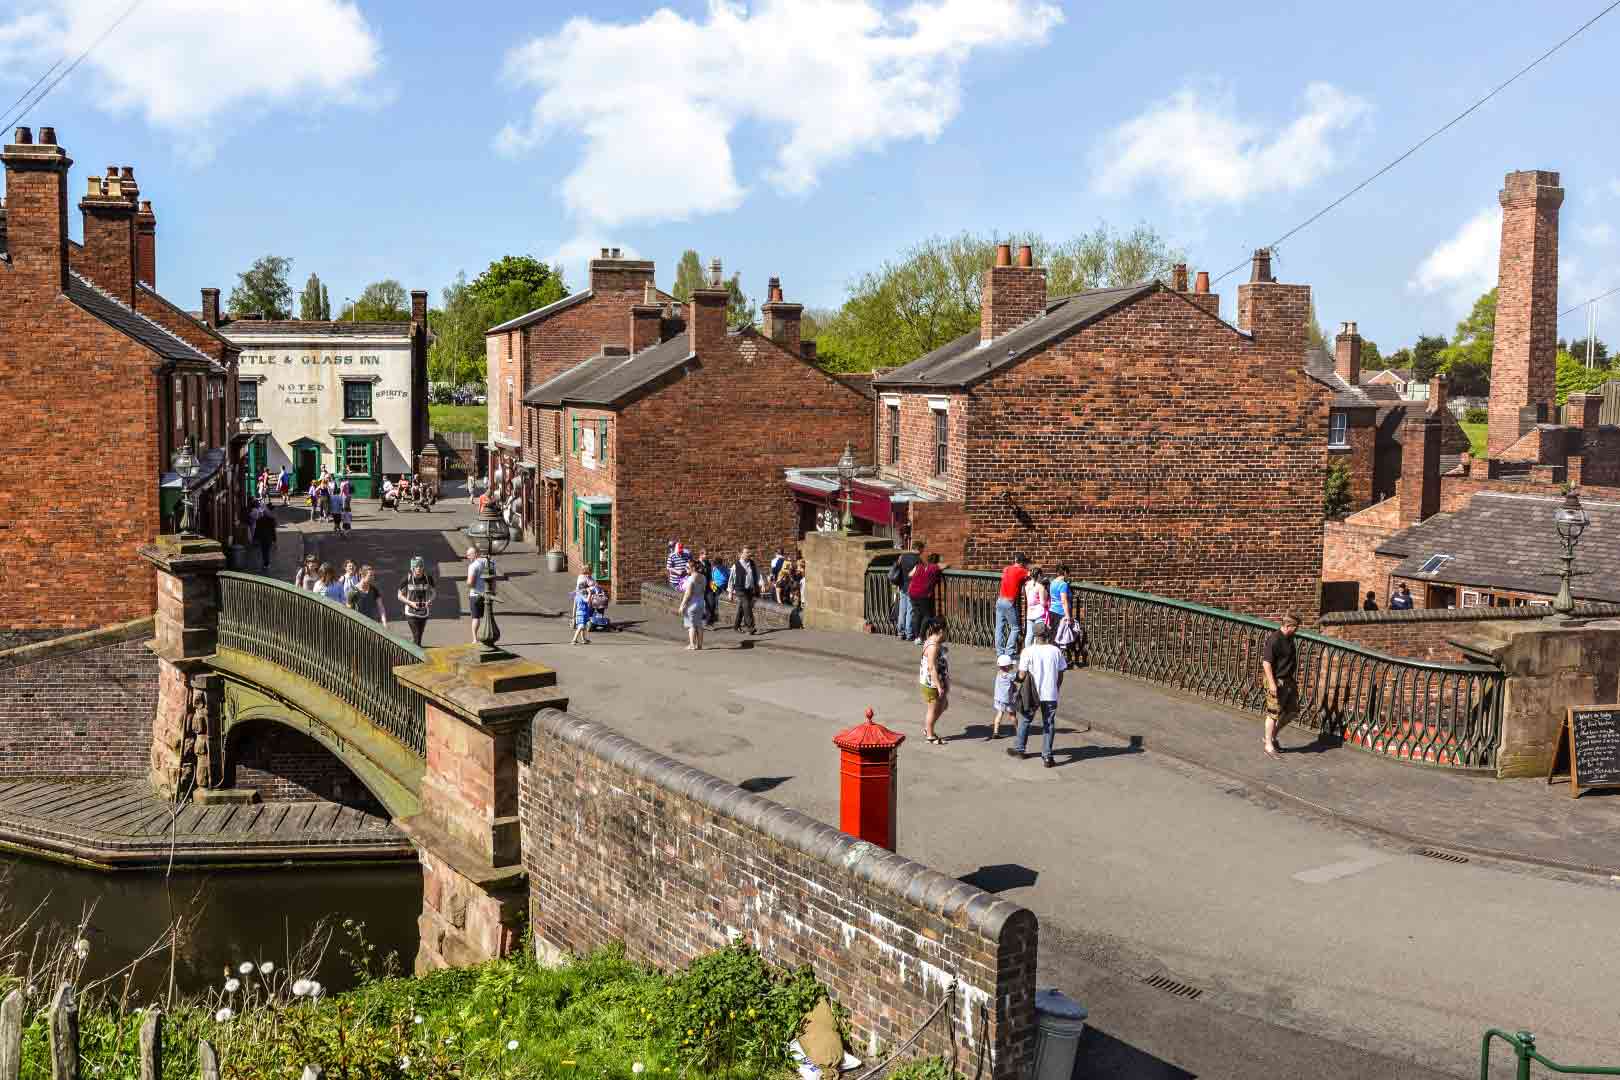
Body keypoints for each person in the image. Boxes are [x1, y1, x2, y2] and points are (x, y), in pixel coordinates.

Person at [1009, 623, 1067, 767]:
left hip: (1032, 692)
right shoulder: (1056, 651)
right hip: (1050, 693)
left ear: (1034, 635)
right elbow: (1061, 673)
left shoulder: (1028, 651)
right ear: (1047, 634)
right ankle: (1047, 756)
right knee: (1049, 723)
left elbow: (1021, 675)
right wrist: (1056, 687)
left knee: (1026, 719)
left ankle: (1020, 749)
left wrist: (1014, 679)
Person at [1262, 614, 1300, 757]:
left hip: (1288, 680)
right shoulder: (1274, 639)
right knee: (1273, 713)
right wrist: (1272, 684)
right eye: (1295, 627)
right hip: (1276, 680)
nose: (1297, 630)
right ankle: (1268, 745)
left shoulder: (1290, 638)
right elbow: (1266, 663)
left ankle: (1272, 735)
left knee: (1292, 711)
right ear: (1288, 626)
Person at [917, 617, 950, 744]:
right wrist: (939, 686)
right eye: (946, 630)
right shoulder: (933, 647)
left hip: (934, 682)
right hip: (931, 684)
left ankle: (928, 728)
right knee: (933, 709)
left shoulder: (933, 641)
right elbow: (931, 667)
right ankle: (930, 734)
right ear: (941, 631)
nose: (947, 633)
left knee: (943, 705)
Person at [996, 554, 1031, 657]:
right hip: (1009, 602)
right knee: (1015, 628)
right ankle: (1009, 652)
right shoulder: (1021, 571)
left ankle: (999, 652)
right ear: (1022, 562)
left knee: (999, 627)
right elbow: (1031, 574)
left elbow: (1004, 574)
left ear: (1015, 560)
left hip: (1000, 600)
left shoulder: (1007, 569)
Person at [397, 557, 436, 647]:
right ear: (412, 568)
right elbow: (399, 596)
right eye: (416, 567)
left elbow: (434, 593)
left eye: (420, 566)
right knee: (416, 635)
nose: (419, 569)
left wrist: (429, 601)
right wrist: (411, 603)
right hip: (410, 612)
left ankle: (411, 648)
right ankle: (415, 652)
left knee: (418, 638)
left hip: (423, 612)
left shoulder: (428, 578)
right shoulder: (407, 578)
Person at [905, 552, 943, 641]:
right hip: (923, 594)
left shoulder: (919, 566)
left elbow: (910, 574)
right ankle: (920, 637)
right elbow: (944, 566)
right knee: (928, 615)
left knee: (917, 614)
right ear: (936, 561)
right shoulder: (935, 567)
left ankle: (916, 636)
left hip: (912, 592)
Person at [675, 561, 708, 650]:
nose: (686, 569)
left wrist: (682, 605)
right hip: (701, 603)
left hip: (692, 604)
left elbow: (688, 594)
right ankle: (700, 645)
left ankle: (692, 645)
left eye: (687, 568)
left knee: (691, 625)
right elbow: (704, 590)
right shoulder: (703, 577)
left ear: (693, 568)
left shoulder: (691, 579)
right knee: (699, 625)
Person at [730, 546, 762, 635]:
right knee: (747, 606)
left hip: (750, 589)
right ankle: (750, 627)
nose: (749, 554)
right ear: (741, 554)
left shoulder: (752, 563)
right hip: (740, 589)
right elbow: (731, 579)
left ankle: (736, 626)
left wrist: (761, 584)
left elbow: (758, 574)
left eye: (749, 552)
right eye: (747, 552)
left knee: (742, 607)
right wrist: (730, 592)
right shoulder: (736, 565)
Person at [466, 546, 490, 643]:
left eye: (469, 555)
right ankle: (485, 636)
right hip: (486, 594)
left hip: (475, 594)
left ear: (475, 554)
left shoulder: (473, 566)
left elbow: (471, 582)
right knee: (484, 617)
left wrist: (468, 583)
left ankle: (475, 639)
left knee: (475, 618)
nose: (467, 557)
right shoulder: (488, 562)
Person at [990, 654, 1016, 740]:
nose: (1012, 666)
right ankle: (1018, 730)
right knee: (1012, 714)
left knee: (999, 714)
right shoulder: (1009, 676)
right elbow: (1018, 677)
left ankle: (995, 732)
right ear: (1007, 666)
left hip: (999, 698)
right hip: (1008, 699)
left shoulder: (999, 673)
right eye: (1011, 665)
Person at [1022, 567, 1048, 650]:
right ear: (1039, 575)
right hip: (1039, 613)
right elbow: (1042, 602)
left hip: (1030, 613)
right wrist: (1048, 603)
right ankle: (1037, 653)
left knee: (1029, 635)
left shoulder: (1027, 585)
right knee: (1039, 635)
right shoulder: (1040, 587)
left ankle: (1027, 652)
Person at [692, 548, 716, 627]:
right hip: (699, 587)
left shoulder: (708, 563)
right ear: (701, 554)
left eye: (707, 554)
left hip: (708, 587)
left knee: (711, 603)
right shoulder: (696, 564)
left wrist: (714, 587)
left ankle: (708, 622)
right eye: (706, 554)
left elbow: (710, 576)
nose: (707, 555)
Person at [251, 500, 277, 570]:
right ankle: (266, 563)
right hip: (269, 538)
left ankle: (265, 562)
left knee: (263, 551)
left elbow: (257, 530)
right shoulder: (271, 520)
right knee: (267, 551)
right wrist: (274, 540)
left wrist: (254, 539)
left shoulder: (259, 520)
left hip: (262, 538)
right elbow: (273, 530)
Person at [571, 577, 593, 646]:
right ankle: (574, 639)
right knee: (581, 626)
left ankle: (583, 639)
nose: (586, 590)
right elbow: (587, 601)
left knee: (583, 627)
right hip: (582, 614)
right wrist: (590, 593)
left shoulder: (577, 596)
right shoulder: (582, 596)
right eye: (586, 588)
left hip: (580, 613)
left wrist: (573, 616)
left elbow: (574, 607)